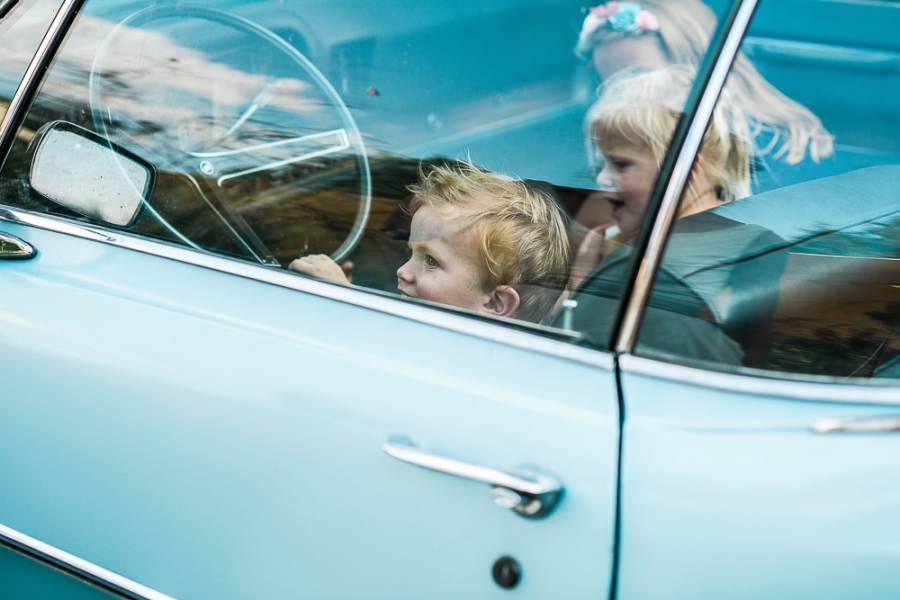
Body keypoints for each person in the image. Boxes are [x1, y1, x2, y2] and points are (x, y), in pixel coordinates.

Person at [563, 66, 787, 368]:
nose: (602, 178)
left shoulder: (752, 248)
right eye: (602, 165)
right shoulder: (620, 238)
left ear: (683, 171)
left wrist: (582, 290)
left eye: (620, 164)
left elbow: (748, 351)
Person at [574, 0, 838, 191]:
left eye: (638, 77)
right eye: (607, 85)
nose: (620, 97)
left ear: (693, 68)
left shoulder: (756, 157)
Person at [290, 162, 570, 324]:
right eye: (411, 252)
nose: (403, 271)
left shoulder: (460, 361)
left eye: (432, 261)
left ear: (496, 303)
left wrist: (345, 299)